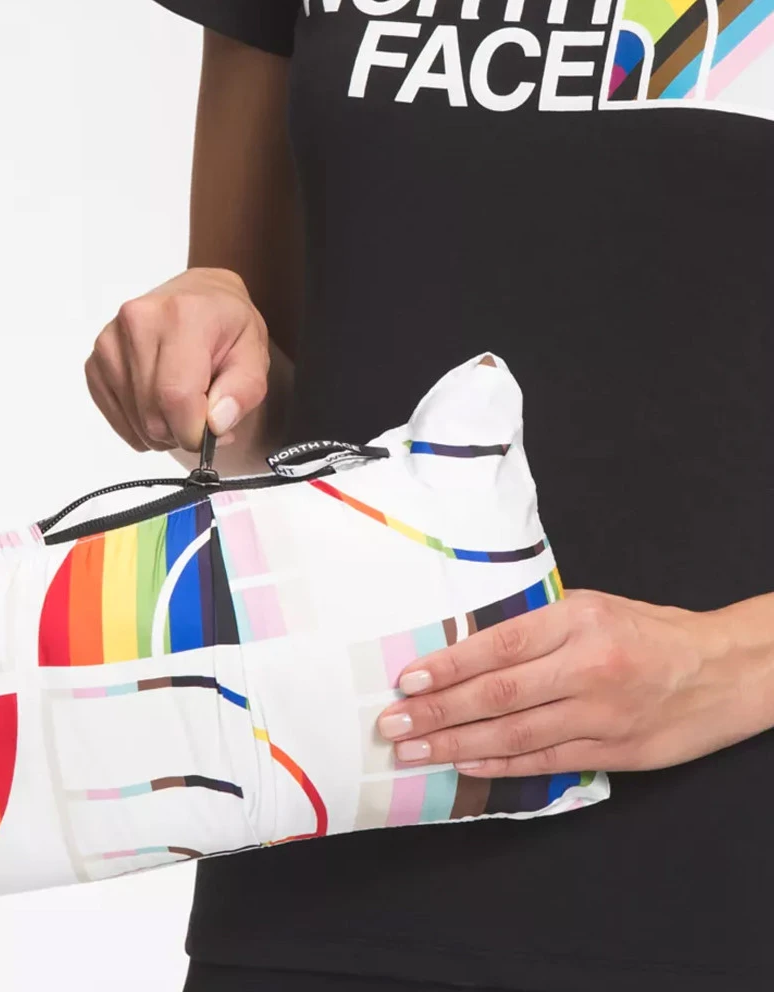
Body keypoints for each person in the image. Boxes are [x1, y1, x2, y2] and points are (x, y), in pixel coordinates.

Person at [84, 3, 774, 990]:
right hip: (328, 874)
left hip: (728, 888)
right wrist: (208, 360)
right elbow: (277, 412)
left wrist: (720, 665)